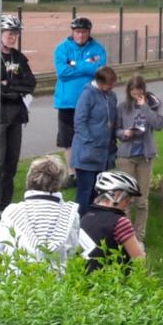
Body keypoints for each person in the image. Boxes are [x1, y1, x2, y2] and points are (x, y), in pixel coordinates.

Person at [0, 155, 80, 273]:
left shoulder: (12, 212)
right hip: (57, 285)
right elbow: (72, 252)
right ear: (59, 183)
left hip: (17, 283)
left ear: (29, 179)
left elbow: (0, 249)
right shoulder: (69, 214)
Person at [114, 75, 163, 240]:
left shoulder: (153, 105)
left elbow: (158, 125)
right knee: (126, 198)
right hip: (126, 156)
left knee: (142, 201)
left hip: (144, 156)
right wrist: (124, 133)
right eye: (133, 94)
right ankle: (127, 237)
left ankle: (139, 238)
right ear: (129, 92)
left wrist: (144, 108)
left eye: (139, 94)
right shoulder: (122, 107)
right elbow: (116, 130)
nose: (136, 97)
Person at [0, 15, 37, 210]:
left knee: (11, 163)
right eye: (9, 34)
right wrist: (10, 87)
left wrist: (10, 84)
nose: (12, 38)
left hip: (17, 114)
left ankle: (5, 206)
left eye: (15, 34)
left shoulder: (19, 58)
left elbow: (30, 84)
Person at [70, 65, 119, 214]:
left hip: (104, 153)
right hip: (87, 153)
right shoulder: (87, 95)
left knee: (98, 192)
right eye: (109, 84)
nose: (112, 87)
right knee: (85, 191)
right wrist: (91, 142)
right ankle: (81, 223)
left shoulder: (111, 96)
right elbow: (79, 122)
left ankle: (94, 223)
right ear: (100, 82)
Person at [52, 17, 107, 149]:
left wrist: (74, 63)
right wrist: (87, 66)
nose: (81, 35)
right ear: (73, 32)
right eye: (77, 31)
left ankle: (87, 169)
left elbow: (99, 71)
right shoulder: (62, 48)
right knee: (68, 142)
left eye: (84, 32)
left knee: (89, 139)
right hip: (68, 103)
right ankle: (71, 170)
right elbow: (62, 72)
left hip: (91, 102)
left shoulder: (98, 49)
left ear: (89, 32)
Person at [79, 170, 147, 273]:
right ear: (117, 196)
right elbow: (139, 260)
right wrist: (141, 250)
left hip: (82, 280)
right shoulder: (120, 222)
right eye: (128, 198)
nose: (129, 202)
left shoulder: (85, 217)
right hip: (110, 282)